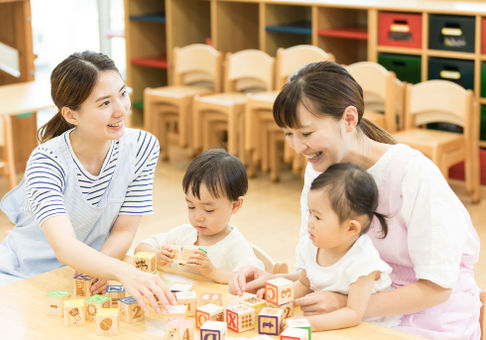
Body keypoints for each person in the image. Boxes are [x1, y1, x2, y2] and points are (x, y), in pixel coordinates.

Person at [229, 61, 481, 339]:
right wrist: (273, 280)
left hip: (430, 318)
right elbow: (315, 269)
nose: (298, 147)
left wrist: (348, 304)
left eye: (306, 133)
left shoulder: (412, 174)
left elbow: (438, 287)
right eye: (288, 134)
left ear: (349, 119)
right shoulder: (318, 171)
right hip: (359, 304)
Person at [0, 51, 175, 313]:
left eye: (123, 94)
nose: (121, 109)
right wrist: (124, 271)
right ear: (71, 115)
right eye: (105, 103)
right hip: (22, 275)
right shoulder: (46, 162)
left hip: (92, 269)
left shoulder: (143, 147)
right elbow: (65, 247)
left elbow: (124, 229)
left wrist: (104, 270)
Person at [262, 162, 398, 331]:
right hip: (329, 318)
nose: (309, 222)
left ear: (351, 228)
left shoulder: (362, 262)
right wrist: (273, 300)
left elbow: (353, 313)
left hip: (369, 326)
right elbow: (304, 286)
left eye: (318, 217)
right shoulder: (311, 245)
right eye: (310, 212)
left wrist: (307, 325)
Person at [134, 148, 264, 283]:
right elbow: (140, 248)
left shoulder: (235, 245)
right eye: (191, 207)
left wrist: (213, 272)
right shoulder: (183, 234)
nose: (198, 217)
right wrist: (156, 256)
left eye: (208, 210)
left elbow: (251, 279)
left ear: (235, 205)